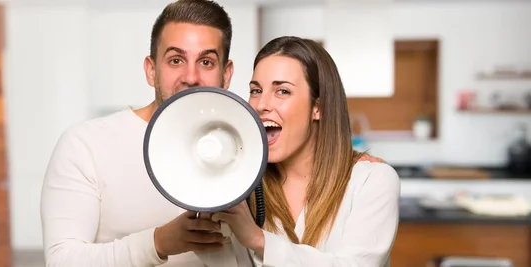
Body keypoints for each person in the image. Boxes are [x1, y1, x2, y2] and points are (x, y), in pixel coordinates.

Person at [40, 0, 385, 266]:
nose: (191, 76)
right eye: (175, 60)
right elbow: (62, 260)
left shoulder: (246, 153)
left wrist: (352, 165)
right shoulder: (86, 145)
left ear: (226, 73)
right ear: (150, 69)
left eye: (206, 61)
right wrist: (160, 242)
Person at [210, 36, 401, 266]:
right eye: (256, 90)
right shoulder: (242, 186)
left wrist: (258, 239)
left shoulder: (372, 181)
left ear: (317, 107)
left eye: (282, 91)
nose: (261, 105)